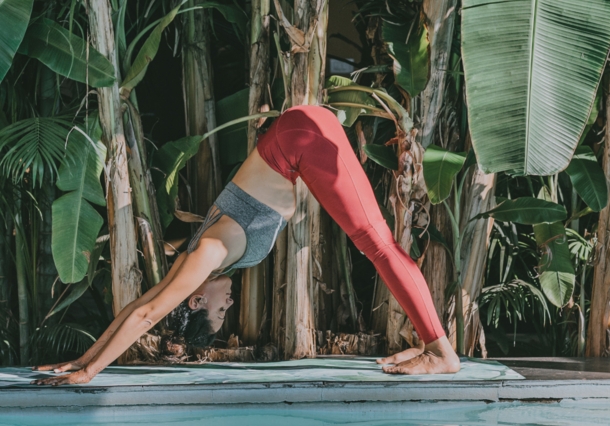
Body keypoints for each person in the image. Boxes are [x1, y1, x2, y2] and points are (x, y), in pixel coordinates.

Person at [33, 106, 460, 386]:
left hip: (301, 138)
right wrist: (80, 358)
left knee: (376, 243)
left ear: (197, 299)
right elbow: (140, 305)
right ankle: (430, 345)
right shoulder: (202, 261)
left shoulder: (209, 254)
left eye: (220, 309)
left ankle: (441, 352)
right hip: (298, 135)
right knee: (375, 242)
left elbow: (146, 315)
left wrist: (89, 372)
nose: (230, 302)